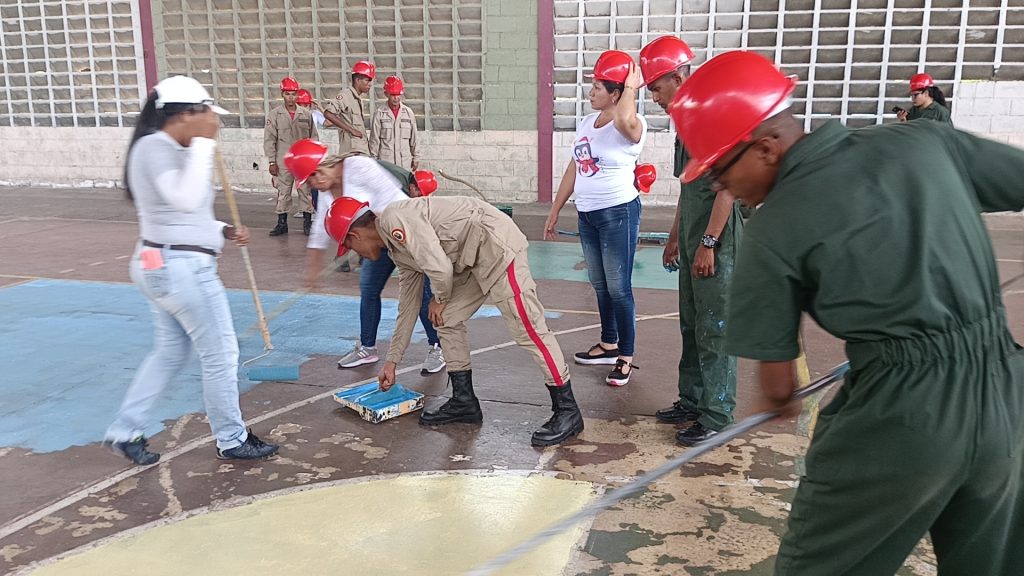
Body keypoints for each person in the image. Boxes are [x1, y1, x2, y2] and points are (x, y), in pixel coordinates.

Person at [669, 50, 1024, 575]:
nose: (720, 187)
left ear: (765, 147)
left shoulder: (773, 228)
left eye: (719, 172)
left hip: (901, 420)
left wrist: (792, 394)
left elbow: (778, 388)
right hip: (1009, 397)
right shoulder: (924, 141)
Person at [104, 75, 279, 465]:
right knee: (221, 354)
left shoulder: (161, 148)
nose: (214, 123)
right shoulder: (156, 147)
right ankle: (232, 438)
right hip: (181, 268)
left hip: (161, 260)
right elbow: (182, 199)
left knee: (170, 352)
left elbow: (179, 214)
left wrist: (222, 230)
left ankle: (125, 430)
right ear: (185, 115)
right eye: (207, 115)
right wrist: (203, 144)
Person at [324, 195, 584, 446]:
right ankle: (464, 401)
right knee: (445, 318)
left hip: (497, 248)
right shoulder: (397, 250)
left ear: (355, 235)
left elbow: (439, 268)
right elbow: (408, 305)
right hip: (471, 260)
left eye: (350, 247)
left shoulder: (395, 220)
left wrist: (440, 298)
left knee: (528, 328)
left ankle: (567, 410)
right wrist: (392, 361)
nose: (355, 254)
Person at [639, 36, 744, 445]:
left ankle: (716, 414)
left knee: (715, 327)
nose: (653, 98)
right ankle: (693, 399)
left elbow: (728, 187)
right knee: (691, 323)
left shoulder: (713, 116)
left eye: (656, 88)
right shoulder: (686, 121)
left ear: (679, 78)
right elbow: (689, 186)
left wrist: (709, 243)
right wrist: (674, 237)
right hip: (692, 234)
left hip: (718, 240)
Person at [283, 139, 446, 375]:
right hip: (374, 242)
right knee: (369, 289)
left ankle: (437, 346)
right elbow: (321, 229)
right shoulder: (328, 190)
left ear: (320, 170)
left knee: (422, 295)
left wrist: (361, 231)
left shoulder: (358, 166)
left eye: (310, 180)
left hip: (405, 235)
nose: (313, 186)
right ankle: (367, 347)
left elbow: (390, 197)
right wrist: (312, 272)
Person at [543, 50, 648, 387]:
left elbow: (625, 121)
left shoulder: (633, 125)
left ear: (616, 93)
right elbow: (575, 166)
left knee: (619, 288)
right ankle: (608, 343)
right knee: (600, 284)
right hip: (587, 215)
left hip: (618, 213)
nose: (590, 92)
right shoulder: (588, 123)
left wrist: (630, 87)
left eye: (598, 87)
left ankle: (625, 356)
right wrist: (556, 208)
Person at [265, 76, 318, 236]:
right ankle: (282, 224)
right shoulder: (275, 115)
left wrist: (312, 159)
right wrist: (272, 161)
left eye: (293, 94)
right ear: (282, 94)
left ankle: (307, 223)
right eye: (287, 94)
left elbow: (313, 137)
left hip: (302, 160)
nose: (291, 97)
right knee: (283, 191)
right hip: (283, 159)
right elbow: (269, 139)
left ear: (297, 94)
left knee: (305, 191)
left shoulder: (305, 114)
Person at [321, 60, 374, 155]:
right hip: (352, 151)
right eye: (367, 80)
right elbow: (328, 113)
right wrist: (351, 130)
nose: (370, 84)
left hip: (359, 149)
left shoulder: (357, 99)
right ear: (358, 80)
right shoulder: (345, 95)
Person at [368, 75, 420, 172]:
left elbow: (414, 138)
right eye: (392, 95)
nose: (396, 98)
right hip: (386, 164)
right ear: (386, 94)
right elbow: (374, 140)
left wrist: (416, 157)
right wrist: (372, 160)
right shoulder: (380, 114)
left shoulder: (408, 113)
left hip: (404, 163)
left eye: (398, 94)